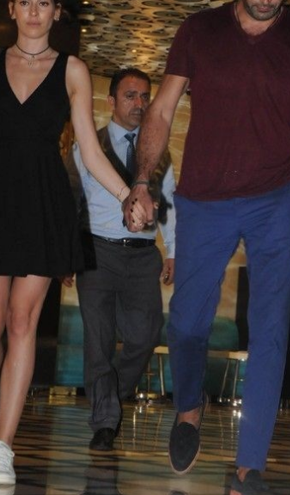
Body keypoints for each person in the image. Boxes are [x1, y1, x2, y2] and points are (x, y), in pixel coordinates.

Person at [122, 0, 290, 495]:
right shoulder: (199, 30)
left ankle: (248, 469)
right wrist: (142, 181)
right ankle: (189, 408)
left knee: (271, 331)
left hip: (276, 201)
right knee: (187, 323)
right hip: (204, 199)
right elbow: (161, 111)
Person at [0, 0, 145, 486]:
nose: (33, 12)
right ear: (11, 8)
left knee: (22, 323)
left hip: (45, 204)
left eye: (43, 4)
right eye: (25, 3)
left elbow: (89, 149)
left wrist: (126, 195)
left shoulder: (72, 70)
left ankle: (4, 445)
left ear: (56, 12)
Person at [64, 68, 176, 451]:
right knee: (98, 340)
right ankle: (105, 423)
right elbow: (70, 199)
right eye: (130, 96)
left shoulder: (158, 151)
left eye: (145, 97)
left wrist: (173, 251)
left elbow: (170, 203)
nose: (139, 104)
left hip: (143, 257)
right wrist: (66, 253)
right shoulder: (87, 145)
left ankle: (108, 397)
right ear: (111, 101)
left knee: (145, 336)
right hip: (96, 252)